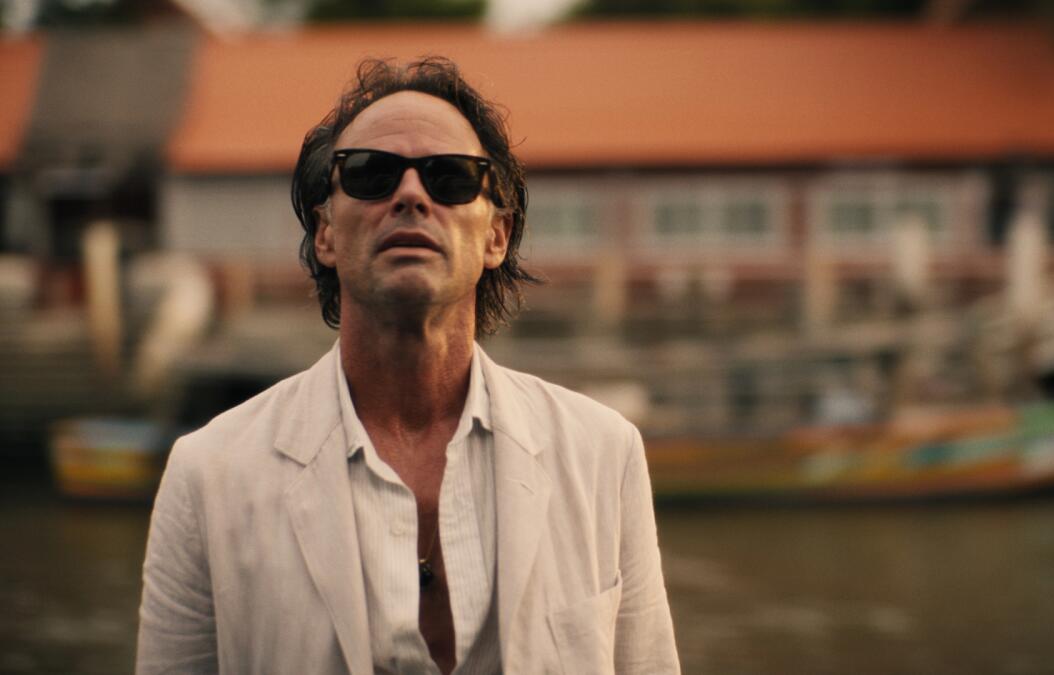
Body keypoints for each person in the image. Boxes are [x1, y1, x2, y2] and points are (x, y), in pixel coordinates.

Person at [136, 57, 680, 674]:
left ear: (497, 236)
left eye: (450, 178)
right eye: (372, 175)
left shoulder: (602, 454)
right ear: (326, 234)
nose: (412, 196)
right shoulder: (210, 476)